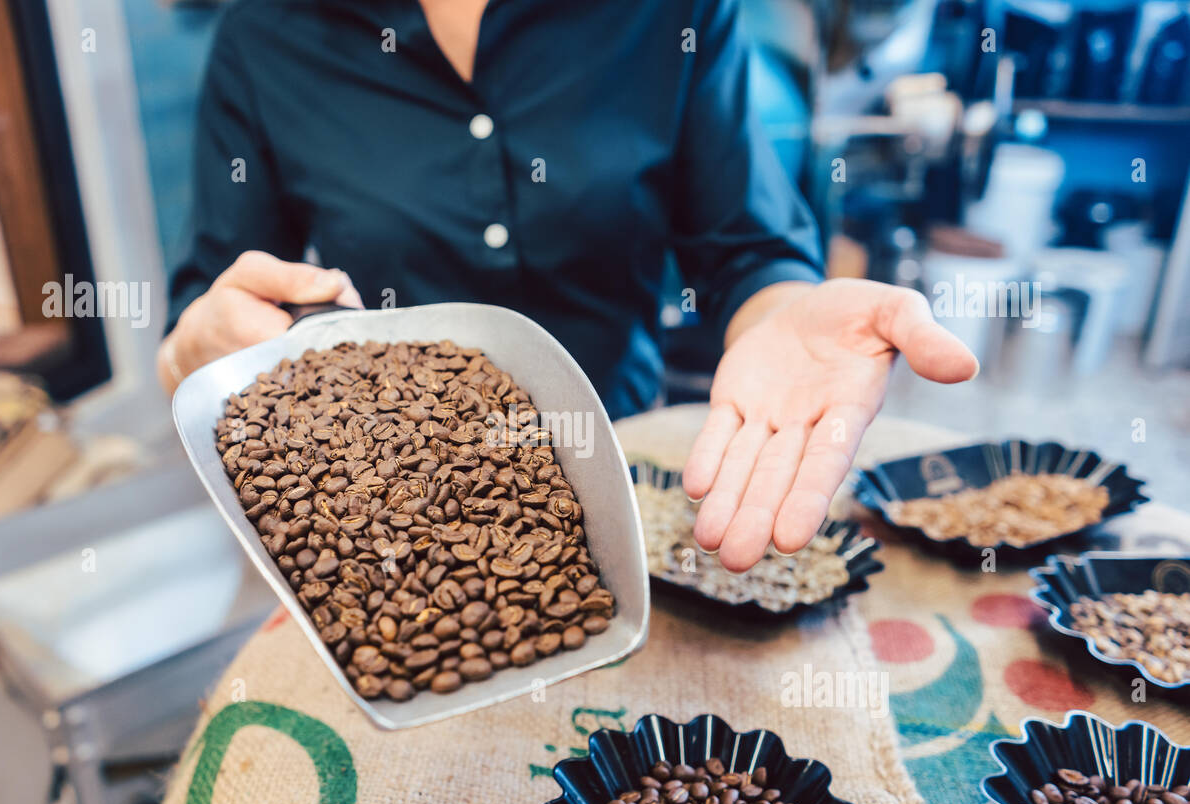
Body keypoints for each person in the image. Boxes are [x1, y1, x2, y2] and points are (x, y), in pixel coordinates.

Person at [159, 0, 977, 572]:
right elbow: (209, 313)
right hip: (382, 517)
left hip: (619, 476)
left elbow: (747, 247)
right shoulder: (264, 37)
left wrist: (791, 311)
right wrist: (201, 350)